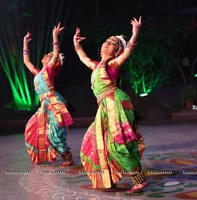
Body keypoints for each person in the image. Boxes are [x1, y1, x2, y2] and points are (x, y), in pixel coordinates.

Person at [73, 16, 149, 193]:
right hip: (105, 108)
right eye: (106, 41)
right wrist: (77, 45)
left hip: (117, 105)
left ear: (117, 51)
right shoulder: (96, 66)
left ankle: (140, 180)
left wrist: (135, 33)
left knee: (118, 144)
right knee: (95, 142)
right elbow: (83, 57)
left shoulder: (113, 64)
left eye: (112, 43)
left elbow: (129, 50)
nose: (107, 44)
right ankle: (110, 177)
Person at [23, 22, 73, 166]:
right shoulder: (39, 73)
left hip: (54, 103)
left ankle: (66, 156)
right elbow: (26, 61)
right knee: (33, 128)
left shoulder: (49, 70)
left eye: (49, 55)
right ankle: (42, 154)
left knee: (53, 133)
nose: (46, 55)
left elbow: (56, 54)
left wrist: (54, 35)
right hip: (44, 105)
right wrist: (25, 43)